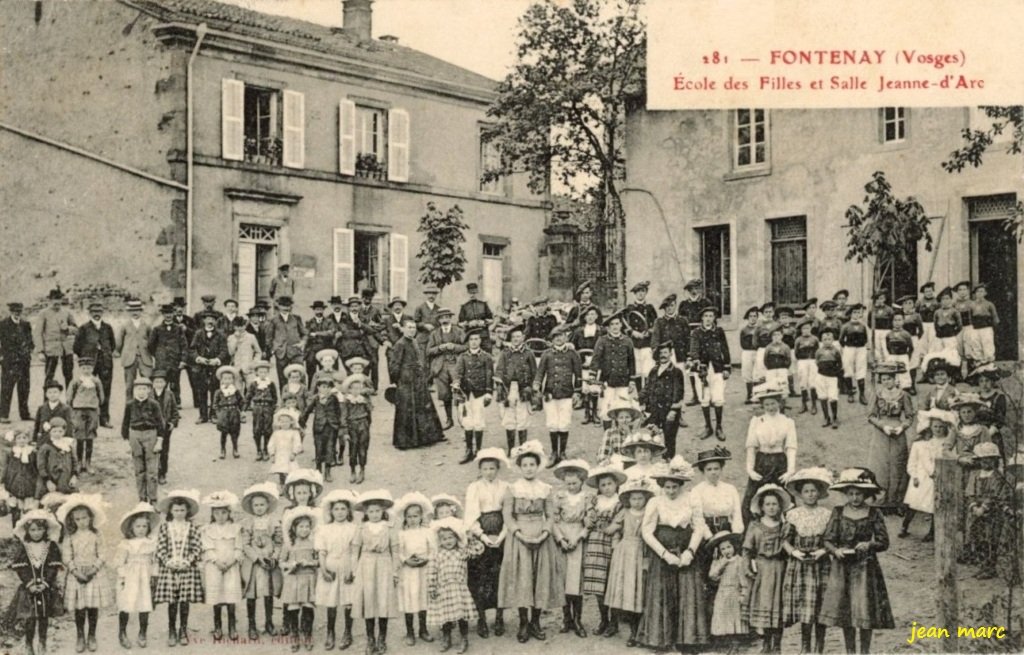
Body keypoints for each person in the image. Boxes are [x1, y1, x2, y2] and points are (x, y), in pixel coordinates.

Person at [819, 469, 895, 654]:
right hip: (842, 565)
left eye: (858, 494)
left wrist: (869, 544)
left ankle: (865, 651)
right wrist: (836, 550)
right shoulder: (838, 512)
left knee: (864, 608)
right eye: (851, 493)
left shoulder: (874, 513)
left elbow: (884, 542)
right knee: (845, 609)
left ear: (866, 494)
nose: (854, 498)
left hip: (865, 566)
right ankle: (850, 651)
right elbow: (827, 539)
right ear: (846, 494)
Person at [637, 455, 709, 650]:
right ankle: (661, 639)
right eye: (667, 487)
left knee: (688, 590)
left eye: (674, 487)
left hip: (686, 549)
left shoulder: (691, 499)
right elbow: (646, 531)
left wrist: (690, 552)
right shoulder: (655, 502)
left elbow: (699, 527)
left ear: (681, 486)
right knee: (662, 592)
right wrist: (664, 554)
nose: (670, 491)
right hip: (663, 551)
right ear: (662, 486)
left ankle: (687, 639)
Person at [498, 440, 561, 644]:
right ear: (519, 467)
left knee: (539, 578)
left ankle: (536, 621)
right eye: (524, 465)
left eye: (532, 464)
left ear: (537, 466)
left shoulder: (546, 488)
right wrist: (519, 534)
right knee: (523, 578)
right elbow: (507, 516)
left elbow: (550, 516)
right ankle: (523, 622)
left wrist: (544, 533)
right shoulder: (513, 488)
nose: (528, 468)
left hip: (541, 537)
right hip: (520, 538)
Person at [782, 468, 834, 654]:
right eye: (806, 491)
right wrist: (794, 552)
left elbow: (832, 539)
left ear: (819, 493)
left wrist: (823, 551)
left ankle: (819, 647)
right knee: (806, 605)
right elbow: (785, 540)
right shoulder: (794, 514)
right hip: (801, 564)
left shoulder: (827, 514)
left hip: (821, 563)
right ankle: (805, 647)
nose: (810, 494)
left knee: (820, 605)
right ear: (800, 494)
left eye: (813, 491)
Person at [464, 447, 510, 639]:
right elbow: (471, 515)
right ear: (480, 470)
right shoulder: (474, 487)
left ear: (498, 468)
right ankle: (481, 617)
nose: (489, 472)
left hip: (501, 535)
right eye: (485, 469)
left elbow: (509, 513)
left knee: (500, 576)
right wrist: (482, 536)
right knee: (480, 578)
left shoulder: (506, 487)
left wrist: (501, 536)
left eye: (492, 468)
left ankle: (499, 616)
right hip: (481, 537)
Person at [57, 493, 112, 653]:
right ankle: (80, 635)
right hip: (77, 575)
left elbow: (103, 552)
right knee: (80, 608)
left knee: (92, 607)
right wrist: (75, 571)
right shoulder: (70, 536)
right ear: (72, 520)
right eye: (78, 519)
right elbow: (66, 556)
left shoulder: (97, 534)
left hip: (94, 574)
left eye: (84, 518)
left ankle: (92, 635)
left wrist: (94, 568)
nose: (82, 522)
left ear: (90, 518)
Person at [604, 476, 656, 645]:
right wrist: (608, 527)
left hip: (641, 551)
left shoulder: (649, 512)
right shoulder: (625, 512)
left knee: (637, 590)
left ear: (646, 499)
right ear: (628, 499)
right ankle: (615, 624)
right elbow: (611, 528)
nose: (637, 502)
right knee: (623, 588)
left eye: (640, 498)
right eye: (633, 498)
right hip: (625, 553)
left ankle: (636, 632)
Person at [154, 489, 205, 648]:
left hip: (186, 568)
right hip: (169, 568)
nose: (179, 513)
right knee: (172, 601)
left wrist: (187, 561)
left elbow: (197, 547)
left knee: (184, 600)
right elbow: (160, 547)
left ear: (187, 511)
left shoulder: (192, 527)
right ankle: (171, 630)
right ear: (170, 511)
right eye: (176, 510)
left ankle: (183, 629)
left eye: (182, 510)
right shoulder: (165, 527)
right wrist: (168, 561)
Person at [961, 442, 1018, 583]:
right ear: (978, 460)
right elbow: (969, 492)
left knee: (990, 540)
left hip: (992, 514)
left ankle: (990, 566)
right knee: (977, 538)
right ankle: (982, 565)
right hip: (975, 513)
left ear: (995, 460)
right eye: (983, 459)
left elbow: (996, 495)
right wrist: (974, 506)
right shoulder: (974, 475)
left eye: (990, 459)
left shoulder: (998, 477)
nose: (987, 462)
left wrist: (984, 508)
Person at [744, 483, 791, 654]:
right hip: (762, 570)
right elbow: (747, 550)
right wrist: (748, 567)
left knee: (778, 606)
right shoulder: (755, 526)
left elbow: (789, 547)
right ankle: (765, 644)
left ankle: (777, 645)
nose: (771, 508)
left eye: (774, 504)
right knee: (763, 605)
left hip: (780, 568)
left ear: (779, 506)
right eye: (768, 504)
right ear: (762, 507)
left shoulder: (784, 525)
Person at [351, 489, 399, 655]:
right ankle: (370, 638)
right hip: (367, 565)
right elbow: (355, 548)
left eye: (377, 511)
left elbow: (395, 549)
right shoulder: (362, 528)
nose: (374, 514)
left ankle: (382, 638)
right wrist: (354, 569)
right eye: (371, 511)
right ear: (366, 513)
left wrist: (395, 571)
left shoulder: (389, 527)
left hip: (384, 564)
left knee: (383, 601)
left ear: (383, 511)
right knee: (369, 601)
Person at [9, 509, 63, 655]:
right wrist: (30, 584)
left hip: (46, 588)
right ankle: (28, 643)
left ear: (45, 529)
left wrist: (46, 582)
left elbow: (53, 567)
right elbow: (22, 569)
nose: (36, 533)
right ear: (27, 530)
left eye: (40, 529)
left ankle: (42, 642)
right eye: (33, 530)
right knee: (30, 617)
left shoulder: (50, 546)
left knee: (44, 616)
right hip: (29, 589)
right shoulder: (24, 547)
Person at [743, 384, 797, 525]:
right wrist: (750, 469)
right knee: (752, 496)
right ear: (762, 405)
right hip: (761, 461)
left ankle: (786, 531)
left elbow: (791, 447)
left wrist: (790, 470)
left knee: (785, 496)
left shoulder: (787, 422)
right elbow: (751, 447)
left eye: (773, 403)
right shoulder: (756, 421)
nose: (770, 407)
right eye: (766, 404)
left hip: (780, 462)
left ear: (779, 403)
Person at [427, 517, 484, 654]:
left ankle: (464, 638)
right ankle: (447, 638)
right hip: (444, 589)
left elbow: (479, 549)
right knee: (445, 618)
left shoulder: (462, 552)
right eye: (444, 539)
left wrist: (469, 538)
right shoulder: (437, 554)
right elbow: (432, 572)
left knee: (461, 616)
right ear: (439, 541)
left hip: (459, 589)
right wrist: (432, 587)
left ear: (457, 538)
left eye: (451, 538)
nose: (448, 541)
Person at [582, 463, 626, 637]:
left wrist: (613, 526)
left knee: (611, 583)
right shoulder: (594, 501)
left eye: (610, 484)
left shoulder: (621, 502)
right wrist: (588, 520)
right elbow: (588, 517)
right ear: (599, 487)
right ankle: (604, 620)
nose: (607, 488)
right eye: (603, 485)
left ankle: (614, 622)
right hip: (594, 543)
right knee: (598, 584)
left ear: (616, 484)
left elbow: (620, 521)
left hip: (612, 543)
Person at [389, 318, 445, 450]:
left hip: (418, 379)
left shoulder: (414, 341)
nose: (412, 330)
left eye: (414, 327)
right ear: (402, 329)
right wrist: (396, 381)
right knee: (407, 409)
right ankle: (405, 441)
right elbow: (395, 364)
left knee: (422, 406)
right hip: (406, 380)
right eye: (409, 327)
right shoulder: (400, 344)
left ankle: (427, 437)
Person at [866, 362, 914, 513]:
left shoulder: (904, 395)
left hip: (898, 432)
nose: (887, 381)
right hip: (881, 432)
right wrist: (883, 426)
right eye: (884, 379)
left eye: (889, 378)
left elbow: (909, 416)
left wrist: (902, 427)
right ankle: (881, 501)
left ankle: (896, 501)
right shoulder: (878, 394)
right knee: (881, 465)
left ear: (895, 379)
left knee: (897, 465)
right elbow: (871, 416)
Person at [533, 324, 583, 467]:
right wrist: (536, 384)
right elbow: (540, 372)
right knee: (553, 423)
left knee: (564, 423)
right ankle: (554, 452)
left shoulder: (573, 354)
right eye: (555, 337)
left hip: (567, 393)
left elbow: (578, 375)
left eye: (561, 336)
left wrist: (577, 392)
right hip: (550, 393)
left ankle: (562, 452)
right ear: (552, 339)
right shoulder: (547, 354)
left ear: (565, 337)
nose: (558, 339)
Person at [552, 459, 591, 638]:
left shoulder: (587, 498)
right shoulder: (559, 497)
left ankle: (577, 619)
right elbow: (553, 520)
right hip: (563, 537)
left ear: (581, 481)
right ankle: (566, 618)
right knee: (564, 579)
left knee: (577, 581)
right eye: (568, 483)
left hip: (579, 537)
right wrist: (561, 538)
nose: (572, 486)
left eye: (575, 483)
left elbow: (590, 522)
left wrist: (579, 536)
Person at [238, 482, 283, 641]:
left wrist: (274, 557)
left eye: (262, 504)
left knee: (268, 593)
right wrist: (257, 557)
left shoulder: (274, 522)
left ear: (267, 505)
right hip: (254, 564)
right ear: (251, 507)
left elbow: (279, 542)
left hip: (269, 563)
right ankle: (252, 625)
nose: (259, 508)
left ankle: (269, 622)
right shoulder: (247, 523)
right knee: (252, 594)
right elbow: (245, 544)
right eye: (256, 505)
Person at [900, 409, 953, 541]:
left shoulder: (948, 444)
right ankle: (904, 526)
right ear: (930, 427)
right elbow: (911, 464)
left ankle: (932, 532)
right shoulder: (920, 444)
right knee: (913, 504)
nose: (938, 429)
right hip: (921, 478)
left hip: (937, 478)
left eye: (941, 427)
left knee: (934, 505)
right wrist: (915, 476)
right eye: (935, 426)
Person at [113, 502, 160, 649]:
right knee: (125, 604)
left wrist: (154, 576)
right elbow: (119, 562)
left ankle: (142, 632)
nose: (141, 530)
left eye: (144, 526)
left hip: (145, 575)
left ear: (148, 528)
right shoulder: (126, 544)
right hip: (130, 576)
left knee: (144, 604)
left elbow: (155, 561)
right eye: (138, 526)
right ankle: (122, 632)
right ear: (131, 528)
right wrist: (122, 576)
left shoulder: (151, 543)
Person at [316, 489, 358, 650]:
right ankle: (330, 632)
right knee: (331, 602)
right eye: (336, 509)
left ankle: (348, 632)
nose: (339, 512)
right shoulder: (325, 529)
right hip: (330, 566)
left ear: (348, 511)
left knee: (348, 601)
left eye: (343, 509)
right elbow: (322, 551)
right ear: (331, 511)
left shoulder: (353, 528)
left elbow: (355, 552)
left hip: (347, 566)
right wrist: (324, 570)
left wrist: (353, 571)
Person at [201, 491, 244, 641]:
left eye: (224, 513)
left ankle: (232, 626)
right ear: (212, 514)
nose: (220, 516)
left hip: (231, 566)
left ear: (229, 513)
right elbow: (207, 548)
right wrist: (216, 561)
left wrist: (232, 561)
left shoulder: (235, 529)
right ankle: (218, 626)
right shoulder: (207, 529)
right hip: (215, 567)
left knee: (230, 596)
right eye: (217, 513)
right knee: (217, 596)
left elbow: (239, 548)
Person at [395, 492, 436, 646]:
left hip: (423, 570)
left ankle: (423, 629)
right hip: (408, 571)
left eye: (416, 516)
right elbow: (398, 552)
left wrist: (427, 559)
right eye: (410, 516)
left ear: (421, 517)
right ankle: (410, 631)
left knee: (422, 599)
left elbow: (433, 550)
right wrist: (406, 560)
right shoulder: (402, 534)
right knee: (409, 599)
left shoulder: (427, 532)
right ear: (405, 517)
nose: (413, 519)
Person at [279, 506, 319, 652]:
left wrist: (310, 563)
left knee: (308, 608)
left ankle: (307, 635)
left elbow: (319, 561)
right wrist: (292, 564)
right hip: (293, 579)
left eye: (307, 526)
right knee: (293, 609)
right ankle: (294, 636)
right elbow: (281, 562)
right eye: (301, 526)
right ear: (294, 528)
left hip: (308, 579)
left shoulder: (314, 543)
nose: (304, 529)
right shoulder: (289, 544)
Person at [688, 306, 731, 441]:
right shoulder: (696, 333)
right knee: (704, 398)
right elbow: (693, 349)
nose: (708, 319)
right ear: (701, 318)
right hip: (702, 370)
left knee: (718, 398)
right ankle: (708, 426)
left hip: (717, 368)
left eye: (711, 316)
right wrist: (697, 362)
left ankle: (719, 427)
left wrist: (726, 368)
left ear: (714, 318)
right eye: (706, 316)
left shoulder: (719, 331)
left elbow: (725, 349)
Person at [120, 378, 165, 504]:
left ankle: (153, 498)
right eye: (138, 389)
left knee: (152, 471)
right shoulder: (130, 405)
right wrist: (127, 441)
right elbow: (125, 423)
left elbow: (161, 424)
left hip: (151, 435)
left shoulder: (154, 404)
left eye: (144, 389)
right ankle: (142, 498)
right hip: (135, 435)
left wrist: (159, 441)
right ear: (134, 390)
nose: (141, 392)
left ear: (149, 390)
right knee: (139, 470)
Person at [453, 328, 495, 464]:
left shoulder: (486, 357)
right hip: (466, 393)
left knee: (479, 421)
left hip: (480, 393)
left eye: (476, 339)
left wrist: (489, 392)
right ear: (468, 342)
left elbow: (489, 375)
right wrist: (456, 383)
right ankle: (468, 450)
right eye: (471, 339)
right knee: (467, 421)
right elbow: (458, 373)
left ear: (480, 341)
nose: (474, 342)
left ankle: (479, 450)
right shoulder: (463, 357)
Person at [494, 324, 536, 453]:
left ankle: (522, 448)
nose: (516, 339)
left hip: (523, 388)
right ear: (510, 338)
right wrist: (499, 381)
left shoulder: (529, 353)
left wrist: (531, 387)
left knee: (523, 416)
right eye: (513, 337)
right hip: (508, 388)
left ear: (523, 338)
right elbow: (499, 369)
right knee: (509, 417)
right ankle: (511, 448)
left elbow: (534, 372)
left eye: (518, 336)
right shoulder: (505, 353)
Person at [640, 341, 686, 458]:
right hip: (654, 411)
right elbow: (647, 387)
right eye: (661, 353)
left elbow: (678, 393)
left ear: (671, 354)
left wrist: (674, 411)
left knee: (669, 440)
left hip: (669, 411)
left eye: (665, 352)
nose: (663, 355)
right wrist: (640, 400)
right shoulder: (653, 371)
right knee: (650, 439)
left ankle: (668, 462)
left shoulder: (676, 372)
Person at [593, 313, 636, 431]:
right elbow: (595, 359)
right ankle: (607, 436)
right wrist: (595, 380)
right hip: (607, 382)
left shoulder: (628, 341)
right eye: (612, 324)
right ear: (608, 327)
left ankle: (622, 436)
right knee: (606, 409)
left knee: (623, 408)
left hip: (623, 381)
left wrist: (632, 380)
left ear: (621, 325)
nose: (615, 327)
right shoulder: (602, 341)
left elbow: (631, 361)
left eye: (617, 324)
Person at [707, 531, 749, 651]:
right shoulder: (718, 562)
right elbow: (712, 576)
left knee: (734, 618)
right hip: (722, 594)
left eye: (729, 547)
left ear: (734, 547)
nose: (727, 551)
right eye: (723, 549)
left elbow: (743, 580)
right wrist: (722, 563)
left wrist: (743, 593)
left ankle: (735, 645)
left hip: (734, 593)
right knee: (722, 618)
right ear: (719, 551)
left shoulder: (739, 561)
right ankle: (725, 644)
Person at [690, 446, 744, 538]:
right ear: (703, 471)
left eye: (716, 468)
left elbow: (737, 515)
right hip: (707, 532)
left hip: (728, 530)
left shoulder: (730, 489)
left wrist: (735, 535)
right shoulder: (697, 490)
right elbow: (698, 519)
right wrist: (709, 538)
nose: (713, 472)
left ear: (721, 469)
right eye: (709, 469)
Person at [426, 308, 467, 430]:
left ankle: (462, 419)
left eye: (447, 317)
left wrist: (454, 346)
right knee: (444, 394)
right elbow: (428, 351)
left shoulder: (459, 331)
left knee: (459, 391)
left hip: (455, 364)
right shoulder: (434, 333)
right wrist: (440, 348)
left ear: (450, 318)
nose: (444, 319)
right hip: (440, 366)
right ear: (438, 320)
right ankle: (449, 419)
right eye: (442, 318)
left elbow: (466, 346)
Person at [189, 312, 229, 424]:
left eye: (212, 319)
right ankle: (203, 415)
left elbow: (224, 350)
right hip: (201, 367)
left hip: (215, 367)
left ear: (216, 321)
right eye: (207, 319)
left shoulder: (221, 335)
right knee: (202, 391)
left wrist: (217, 360)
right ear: (204, 321)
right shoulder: (198, 334)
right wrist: (198, 358)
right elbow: (192, 349)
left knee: (215, 390)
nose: (210, 322)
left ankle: (213, 414)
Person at [300, 377, 342, 483]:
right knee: (319, 449)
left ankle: (328, 471)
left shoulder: (334, 398)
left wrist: (338, 424)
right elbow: (307, 410)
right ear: (318, 387)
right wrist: (302, 422)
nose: (326, 389)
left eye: (328, 387)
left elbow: (338, 412)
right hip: (319, 427)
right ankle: (318, 471)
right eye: (323, 387)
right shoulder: (316, 398)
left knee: (330, 448)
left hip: (331, 427)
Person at [35, 288, 76, 390]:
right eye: (54, 299)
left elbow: (76, 329)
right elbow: (37, 333)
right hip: (51, 349)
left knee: (69, 375)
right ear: (50, 300)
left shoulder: (67, 312)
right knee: (49, 376)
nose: (56, 302)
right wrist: (40, 351)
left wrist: (67, 328)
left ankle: (69, 402)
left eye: (58, 299)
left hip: (66, 349)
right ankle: (46, 403)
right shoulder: (43, 313)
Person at [1, 302, 35, 423]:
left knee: (24, 387)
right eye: (15, 311)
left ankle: (24, 414)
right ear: (10, 311)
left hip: (24, 361)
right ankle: (3, 415)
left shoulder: (26, 324)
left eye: (19, 311)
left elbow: (30, 340)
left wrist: (29, 350)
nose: (17, 313)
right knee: (7, 387)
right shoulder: (3, 324)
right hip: (9, 361)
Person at [149, 305, 189, 407]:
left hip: (175, 361)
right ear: (163, 315)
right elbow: (151, 345)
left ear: (173, 314)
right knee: (161, 383)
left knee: (175, 383)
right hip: (162, 362)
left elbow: (184, 345)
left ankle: (175, 406)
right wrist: (159, 355)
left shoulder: (179, 329)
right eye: (166, 313)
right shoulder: (157, 329)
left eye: (170, 313)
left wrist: (183, 360)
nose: (168, 316)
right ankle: (159, 406)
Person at [264, 296, 307, 390]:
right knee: (282, 377)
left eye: (287, 306)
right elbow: (268, 337)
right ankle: (285, 398)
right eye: (283, 306)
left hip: (296, 351)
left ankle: (302, 397)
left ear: (290, 307)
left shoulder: (296, 318)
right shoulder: (273, 320)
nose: (285, 308)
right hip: (281, 353)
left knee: (300, 374)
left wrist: (302, 342)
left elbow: (304, 333)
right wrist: (274, 349)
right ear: (278, 306)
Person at [68, 358, 103, 468]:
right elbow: (70, 395)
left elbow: (101, 395)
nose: (86, 370)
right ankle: (79, 462)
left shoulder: (96, 381)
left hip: (92, 410)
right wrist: (72, 405)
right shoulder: (76, 381)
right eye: (84, 368)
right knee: (80, 436)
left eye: (88, 368)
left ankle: (88, 462)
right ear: (80, 369)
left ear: (92, 369)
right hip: (79, 410)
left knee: (90, 436)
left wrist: (97, 404)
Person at [571, 306, 604, 425]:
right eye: (588, 315)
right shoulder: (578, 331)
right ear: (584, 317)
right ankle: (586, 413)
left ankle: (595, 413)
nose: (590, 317)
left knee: (594, 388)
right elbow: (573, 347)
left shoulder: (601, 331)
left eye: (593, 314)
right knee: (585, 389)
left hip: (596, 364)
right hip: (583, 363)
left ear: (597, 316)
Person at [339, 374, 373, 484]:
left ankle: (362, 470)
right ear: (349, 390)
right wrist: (345, 431)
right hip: (352, 426)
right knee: (353, 450)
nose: (356, 391)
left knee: (363, 449)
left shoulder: (364, 399)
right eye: (354, 388)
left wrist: (366, 401)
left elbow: (370, 412)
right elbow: (343, 416)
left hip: (363, 425)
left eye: (359, 388)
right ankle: (352, 471)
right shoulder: (347, 401)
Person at [2, 429, 41, 527]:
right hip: (15, 484)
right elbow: (7, 467)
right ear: (15, 440)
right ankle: (16, 532)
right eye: (19, 438)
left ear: (28, 439)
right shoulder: (12, 453)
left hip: (29, 483)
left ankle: (27, 532)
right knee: (15, 510)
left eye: (24, 438)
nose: (22, 440)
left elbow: (36, 469)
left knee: (28, 510)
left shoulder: (32, 452)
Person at [118, 299, 155, 392]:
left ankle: (149, 404)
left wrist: (151, 353)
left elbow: (152, 340)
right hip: (129, 358)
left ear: (141, 311)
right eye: (132, 310)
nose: (135, 312)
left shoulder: (146, 325)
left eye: (137, 310)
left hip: (144, 357)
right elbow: (119, 341)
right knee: (129, 384)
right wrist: (119, 352)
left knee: (148, 381)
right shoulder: (125, 325)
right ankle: (129, 405)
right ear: (129, 312)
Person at [245, 360, 277, 462]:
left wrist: (273, 407)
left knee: (268, 429)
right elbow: (248, 397)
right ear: (257, 372)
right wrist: (244, 409)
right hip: (257, 408)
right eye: (260, 372)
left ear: (268, 372)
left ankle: (266, 450)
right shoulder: (254, 384)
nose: (263, 374)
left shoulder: (271, 384)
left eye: (265, 372)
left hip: (268, 408)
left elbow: (275, 397)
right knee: (257, 429)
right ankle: (258, 450)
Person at [149, 371, 178, 485]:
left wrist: (173, 423)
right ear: (152, 383)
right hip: (151, 426)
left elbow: (175, 411)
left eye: (161, 381)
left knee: (164, 451)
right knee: (151, 450)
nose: (159, 384)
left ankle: (162, 473)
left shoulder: (169, 395)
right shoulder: (148, 394)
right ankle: (152, 473)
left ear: (165, 383)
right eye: (156, 381)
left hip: (165, 427)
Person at [212, 366, 245, 460]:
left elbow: (241, 402)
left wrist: (242, 411)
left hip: (234, 414)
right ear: (221, 380)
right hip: (223, 415)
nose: (227, 380)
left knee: (234, 433)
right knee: (223, 433)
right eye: (225, 378)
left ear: (233, 380)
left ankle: (235, 449)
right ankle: (222, 450)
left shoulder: (236, 391)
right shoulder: (218, 392)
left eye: (230, 378)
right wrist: (218, 414)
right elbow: (215, 404)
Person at [840, 303, 870, 405]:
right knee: (848, 369)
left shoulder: (863, 326)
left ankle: (862, 394)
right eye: (854, 312)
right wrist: (848, 347)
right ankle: (850, 393)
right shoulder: (846, 326)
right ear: (850, 314)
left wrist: (861, 346)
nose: (856, 314)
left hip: (861, 349)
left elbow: (865, 338)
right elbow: (841, 340)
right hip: (849, 349)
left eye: (858, 312)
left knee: (861, 369)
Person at [37, 417, 77, 494]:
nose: (57, 434)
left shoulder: (68, 445)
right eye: (54, 431)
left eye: (60, 431)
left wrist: (74, 476)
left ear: (64, 432)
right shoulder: (45, 447)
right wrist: (47, 480)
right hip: (51, 480)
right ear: (50, 432)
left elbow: (74, 461)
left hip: (66, 479)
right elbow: (41, 465)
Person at [267, 408, 304, 486]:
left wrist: (294, 453)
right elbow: (271, 444)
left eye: (286, 422)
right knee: (281, 471)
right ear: (279, 423)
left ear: (291, 422)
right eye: (282, 422)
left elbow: (297, 443)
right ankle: (282, 486)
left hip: (289, 455)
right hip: (279, 455)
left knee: (290, 471)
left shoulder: (294, 432)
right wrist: (272, 454)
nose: (284, 424)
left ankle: (289, 485)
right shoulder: (276, 433)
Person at [358, 289, 385, 388]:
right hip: (360, 341)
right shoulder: (357, 310)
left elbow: (382, 325)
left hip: (373, 340)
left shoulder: (375, 310)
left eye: (369, 298)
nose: (367, 300)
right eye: (365, 298)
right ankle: (362, 386)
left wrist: (372, 326)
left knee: (374, 363)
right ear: (362, 298)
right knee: (362, 363)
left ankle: (374, 387)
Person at [33, 379, 73, 446]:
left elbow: (69, 425)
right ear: (46, 394)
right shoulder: (41, 408)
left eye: (55, 392)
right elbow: (37, 425)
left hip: (59, 438)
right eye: (50, 392)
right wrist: (34, 439)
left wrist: (68, 439)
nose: (52, 395)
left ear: (60, 393)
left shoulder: (66, 408)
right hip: (44, 439)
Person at [228, 316, 262, 395]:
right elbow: (231, 352)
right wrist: (236, 340)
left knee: (251, 388)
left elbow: (258, 352)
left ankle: (249, 405)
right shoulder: (231, 338)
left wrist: (254, 363)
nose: (239, 328)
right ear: (234, 326)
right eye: (237, 326)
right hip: (236, 367)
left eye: (242, 326)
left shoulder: (251, 337)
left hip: (249, 367)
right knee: (237, 389)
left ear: (245, 326)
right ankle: (240, 405)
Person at [794, 318, 820, 414]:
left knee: (813, 383)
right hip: (802, 362)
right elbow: (796, 353)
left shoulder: (815, 339)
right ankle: (804, 404)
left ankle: (813, 404)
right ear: (801, 330)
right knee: (803, 382)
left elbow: (818, 351)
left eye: (808, 328)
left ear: (811, 328)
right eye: (804, 329)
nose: (806, 330)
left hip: (812, 362)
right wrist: (802, 360)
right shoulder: (798, 340)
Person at [458, 283, 495, 352]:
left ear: (477, 292)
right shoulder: (464, 307)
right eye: (470, 293)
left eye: (474, 293)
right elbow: (460, 323)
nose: (473, 295)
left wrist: (484, 322)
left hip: (483, 335)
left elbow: (491, 319)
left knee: (487, 352)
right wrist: (469, 323)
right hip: (470, 335)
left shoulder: (483, 304)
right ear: (468, 293)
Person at [304, 301, 335, 382]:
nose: (319, 312)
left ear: (323, 310)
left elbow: (331, 333)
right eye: (317, 310)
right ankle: (311, 389)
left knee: (325, 370)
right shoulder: (309, 322)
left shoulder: (329, 321)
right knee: (310, 371)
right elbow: (306, 334)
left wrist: (316, 334)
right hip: (313, 349)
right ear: (314, 311)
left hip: (325, 348)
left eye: (320, 309)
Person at [969, 283, 999, 365]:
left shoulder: (989, 304)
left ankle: (989, 363)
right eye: (977, 292)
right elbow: (970, 317)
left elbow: (995, 318)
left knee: (987, 345)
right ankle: (978, 363)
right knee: (976, 345)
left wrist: (992, 327)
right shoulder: (972, 304)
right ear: (975, 294)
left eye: (982, 291)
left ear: (985, 293)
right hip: (975, 328)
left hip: (986, 328)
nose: (979, 293)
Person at [885, 312, 916, 391]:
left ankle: (905, 391)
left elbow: (911, 348)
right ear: (892, 322)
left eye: (899, 320)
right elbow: (888, 346)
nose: (897, 322)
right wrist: (891, 355)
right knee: (892, 374)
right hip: (892, 356)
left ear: (903, 321)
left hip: (903, 356)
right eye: (895, 320)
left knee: (904, 374)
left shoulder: (906, 334)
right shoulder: (889, 334)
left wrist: (907, 357)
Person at [739, 306, 760, 404]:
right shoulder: (744, 330)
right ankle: (749, 394)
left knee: (757, 373)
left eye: (755, 316)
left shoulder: (760, 329)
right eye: (751, 316)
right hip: (747, 352)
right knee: (747, 373)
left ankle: (756, 395)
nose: (753, 318)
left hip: (757, 352)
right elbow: (742, 343)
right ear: (748, 318)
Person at [413, 286, 443, 352]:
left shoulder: (439, 309)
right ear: (426, 295)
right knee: (422, 360)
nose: (431, 296)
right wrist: (424, 325)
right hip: (422, 339)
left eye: (434, 294)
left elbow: (440, 324)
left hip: (435, 339)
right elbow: (415, 323)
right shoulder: (420, 308)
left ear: (436, 295)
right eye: (429, 293)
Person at [916, 282, 939, 358]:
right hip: (923, 324)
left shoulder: (936, 301)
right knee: (923, 340)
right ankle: (923, 357)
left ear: (933, 291)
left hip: (933, 324)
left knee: (933, 340)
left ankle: (931, 357)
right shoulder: (919, 302)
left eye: (930, 291)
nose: (928, 293)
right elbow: (916, 313)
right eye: (926, 291)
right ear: (924, 293)